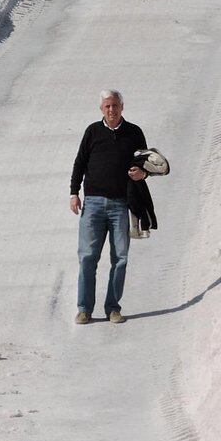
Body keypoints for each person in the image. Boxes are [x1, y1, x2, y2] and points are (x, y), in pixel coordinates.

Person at [69, 89, 148, 324]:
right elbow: (80, 163)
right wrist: (74, 193)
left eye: (115, 105)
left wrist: (142, 173)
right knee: (87, 258)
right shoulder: (92, 131)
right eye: (107, 106)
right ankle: (84, 309)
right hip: (92, 204)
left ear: (122, 107)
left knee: (120, 258)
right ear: (101, 109)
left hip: (120, 205)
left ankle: (113, 308)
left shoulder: (134, 133)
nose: (111, 110)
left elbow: (146, 163)